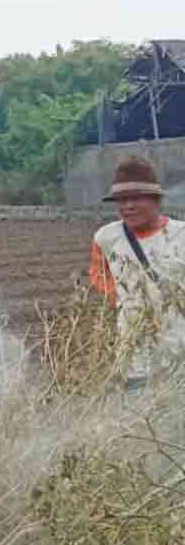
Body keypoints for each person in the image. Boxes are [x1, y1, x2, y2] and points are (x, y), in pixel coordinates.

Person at [88, 156, 185, 386]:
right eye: (121, 200)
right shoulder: (106, 238)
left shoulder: (181, 236)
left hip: (180, 347)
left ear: (157, 200)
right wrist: (128, 303)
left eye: (136, 198)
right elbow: (99, 275)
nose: (128, 206)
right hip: (135, 354)